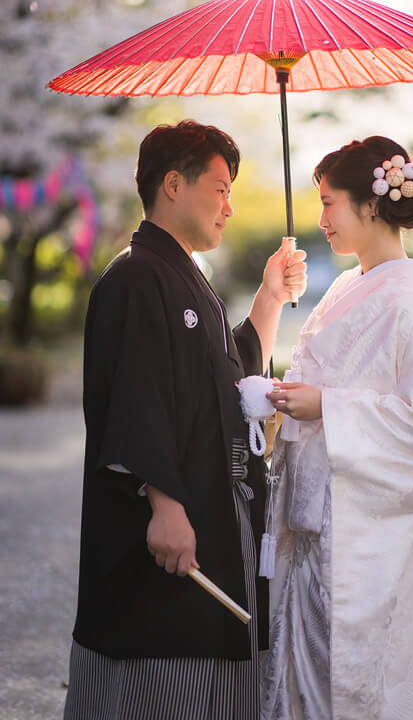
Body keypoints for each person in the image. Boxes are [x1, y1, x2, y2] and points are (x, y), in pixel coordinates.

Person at [64, 119, 307, 720]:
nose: (229, 205)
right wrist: (167, 508)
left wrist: (271, 297)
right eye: (220, 188)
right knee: (158, 678)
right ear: (173, 184)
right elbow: (135, 403)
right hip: (167, 524)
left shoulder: (181, 276)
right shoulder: (135, 276)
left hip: (207, 511)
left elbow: (225, 379)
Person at [260, 136, 413, 720]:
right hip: (315, 520)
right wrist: (284, 403)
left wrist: (328, 408)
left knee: (360, 685)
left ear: (372, 206)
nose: (321, 219)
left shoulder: (407, 305)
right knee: (305, 678)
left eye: (330, 203)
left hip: (362, 533)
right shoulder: (344, 288)